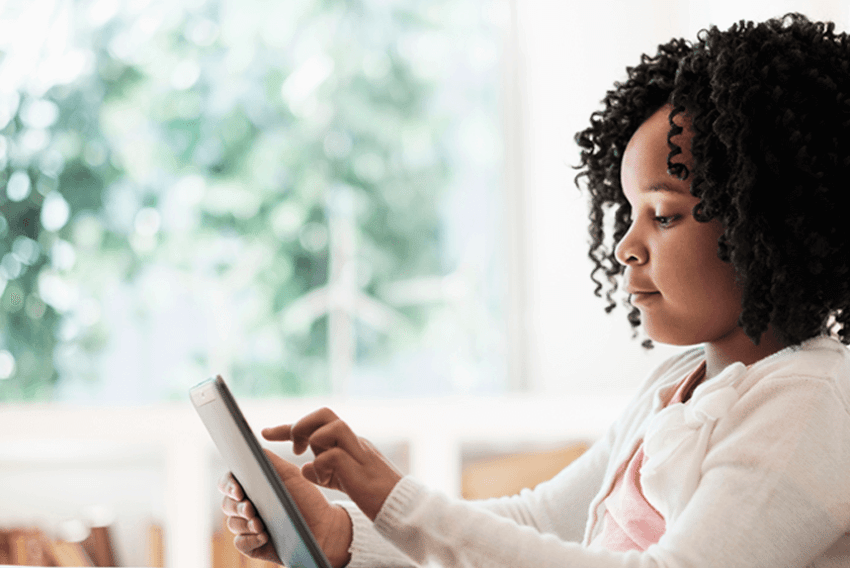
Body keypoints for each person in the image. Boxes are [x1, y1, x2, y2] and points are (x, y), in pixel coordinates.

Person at [219, 13, 850, 567]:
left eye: (664, 215)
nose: (626, 246)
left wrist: (393, 497)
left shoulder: (809, 403)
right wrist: (340, 530)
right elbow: (541, 524)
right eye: (625, 213)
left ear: (765, 220)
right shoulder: (681, 384)